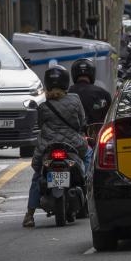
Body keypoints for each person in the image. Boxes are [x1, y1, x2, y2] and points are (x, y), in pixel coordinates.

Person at [24, 65, 89, 228]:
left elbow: (40, 124)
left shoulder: (44, 105)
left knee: (37, 175)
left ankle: (29, 214)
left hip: (47, 146)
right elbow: (82, 121)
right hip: (73, 143)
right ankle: (88, 186)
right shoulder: (74, 99)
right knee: (88, 156)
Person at [68, 58, 112, 134]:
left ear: (74, 73)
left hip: (73, 138)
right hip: (97, 137)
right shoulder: (104, 94)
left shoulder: (67, 93)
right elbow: (110, 118)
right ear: (92, 73)